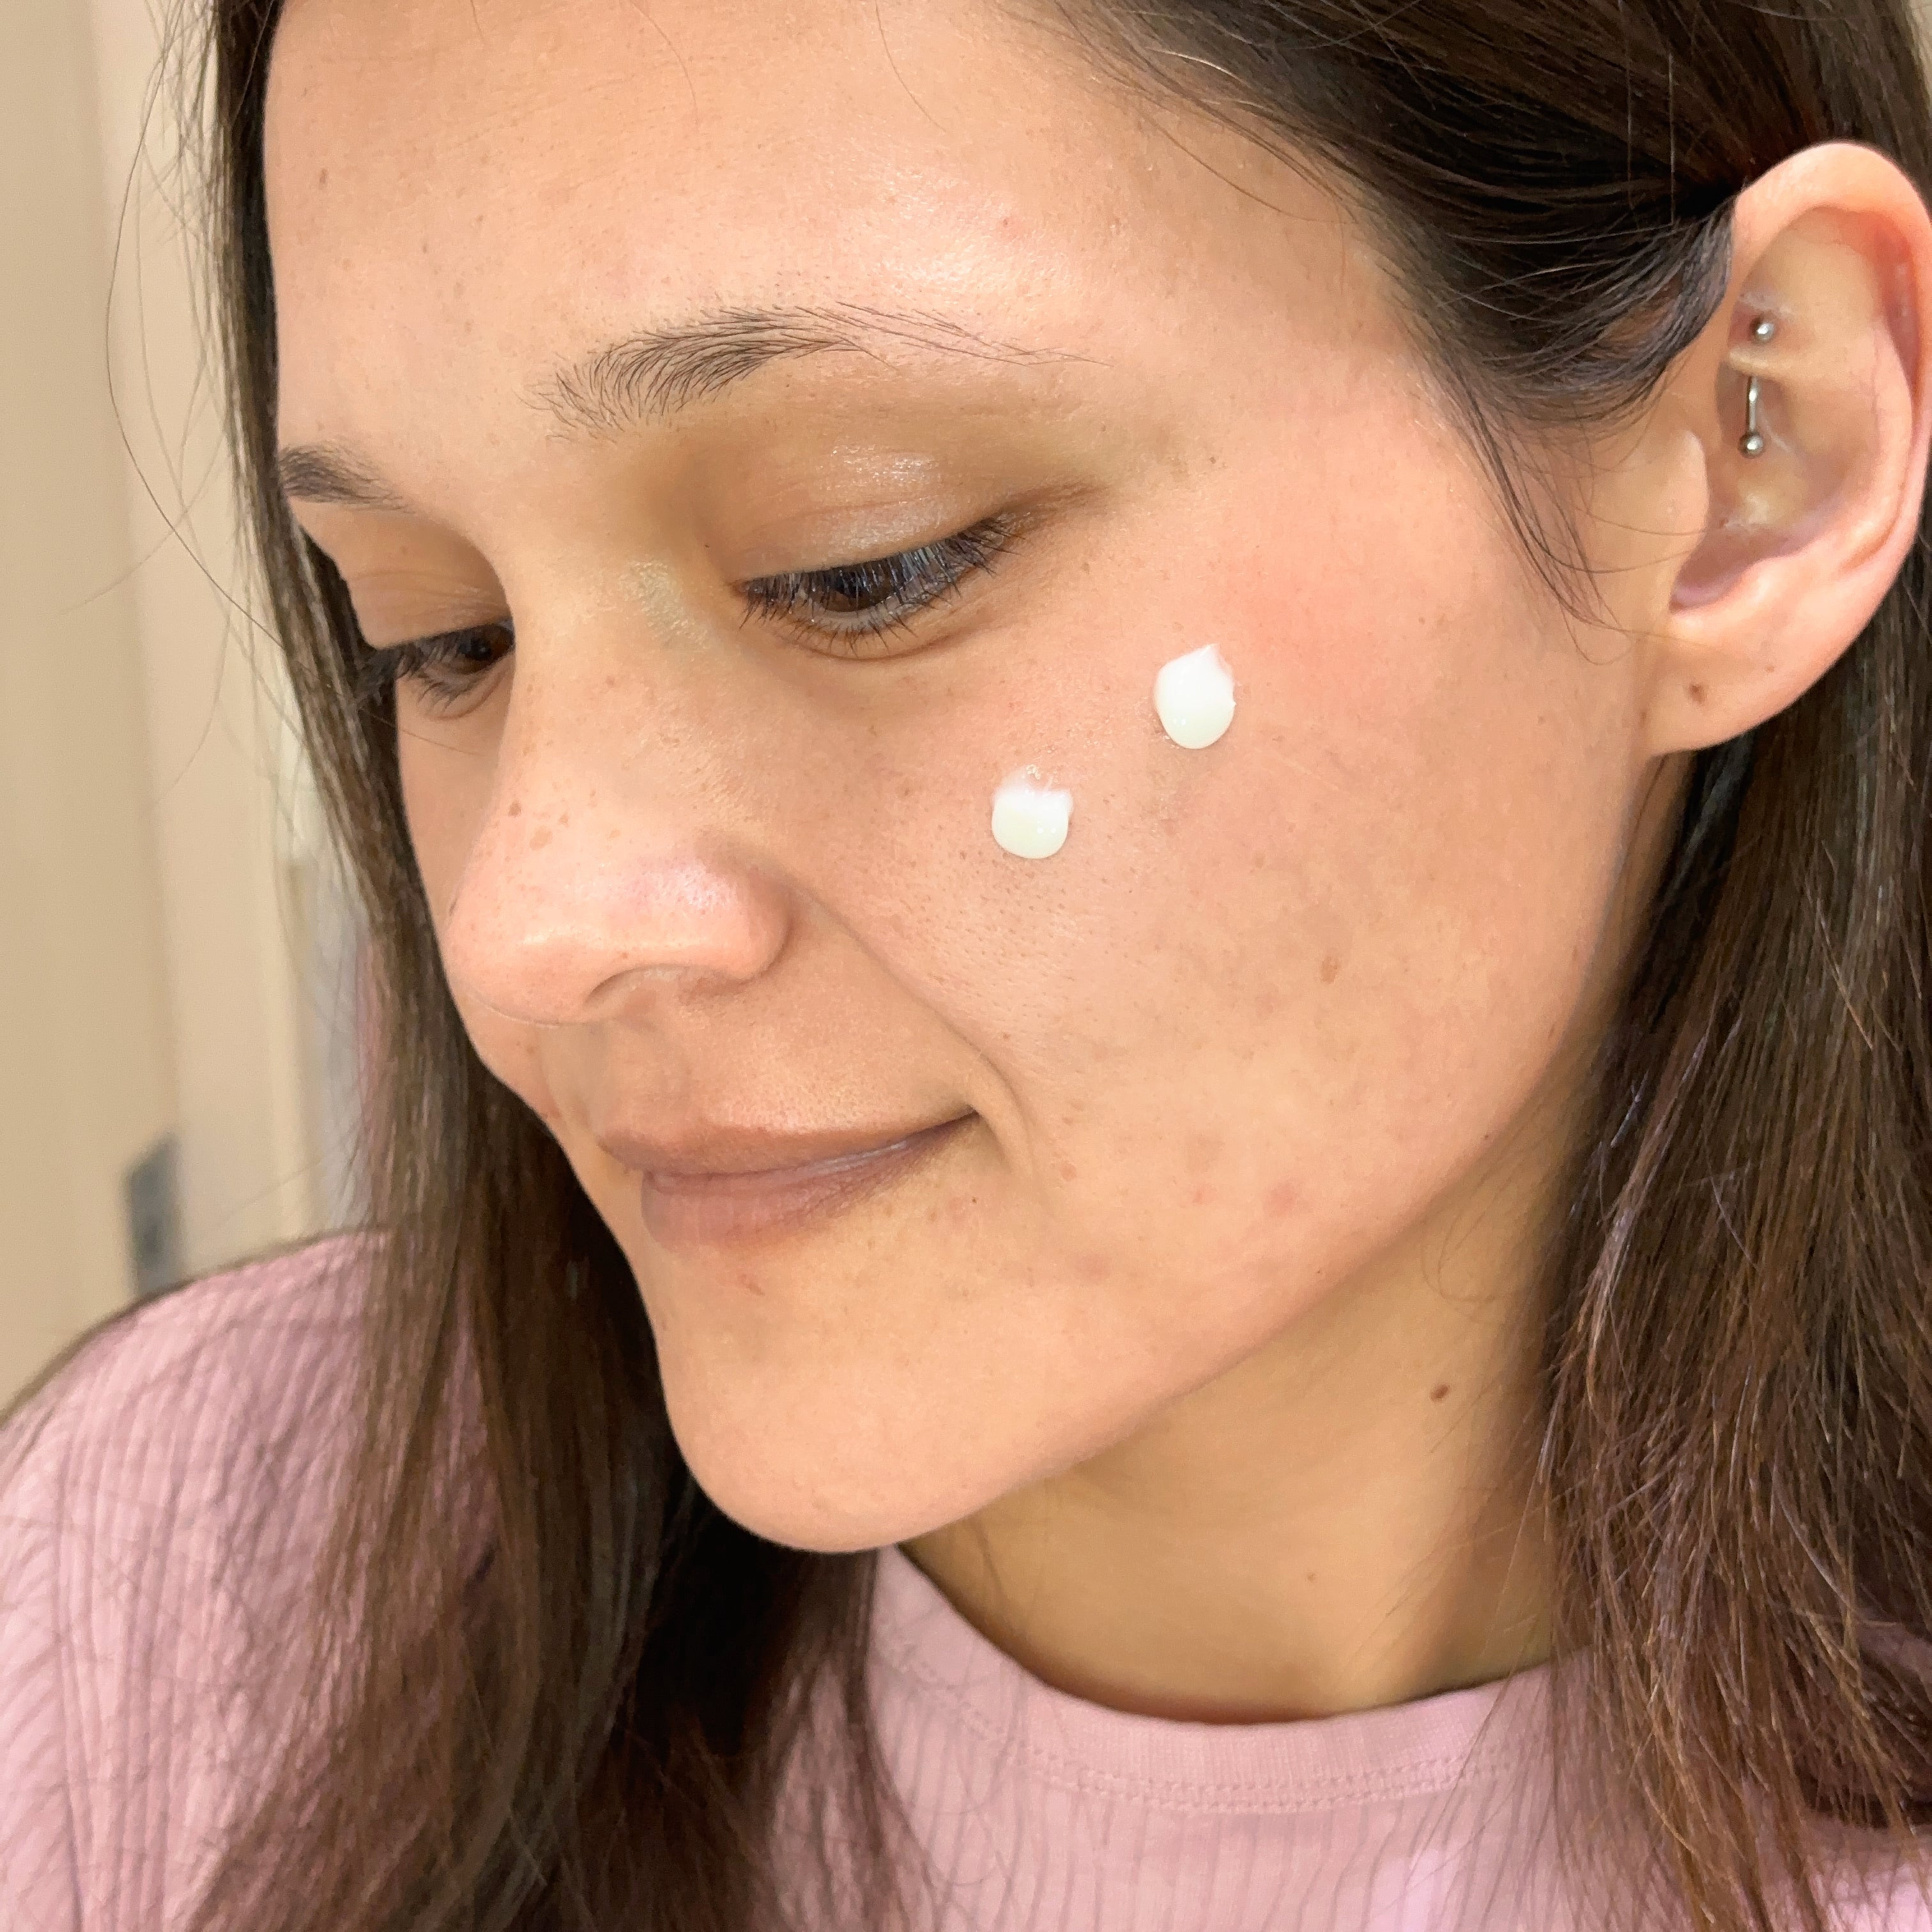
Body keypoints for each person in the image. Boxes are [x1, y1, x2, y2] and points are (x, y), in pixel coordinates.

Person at [6, 0, 1932, 1926]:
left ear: (1759, 453)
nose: (525, 926)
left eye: (867, 562)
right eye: (442, 635)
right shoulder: (180, 1597)